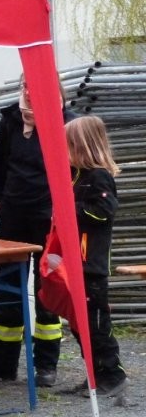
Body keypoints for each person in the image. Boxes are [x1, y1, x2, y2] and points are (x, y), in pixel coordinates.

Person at [0, 77, 76, 387]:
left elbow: (76, 171)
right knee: (5, 291)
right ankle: (1, 365)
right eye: (25, 84)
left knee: (47, 292)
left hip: (48, 221)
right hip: (12, 218)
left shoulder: (68, 123)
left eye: (35, 83)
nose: (29, 90)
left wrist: (63, 210)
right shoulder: (12, 120)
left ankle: (46, 367)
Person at [61, 115, 127, 398]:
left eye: (68, 145)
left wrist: (70, 209)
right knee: (81, 325)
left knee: (97, 325)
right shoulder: (77, 176)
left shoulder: (99, 177)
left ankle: (112, 376)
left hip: (92, 265)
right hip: (76, 262)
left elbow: (103, 212)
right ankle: (95, 374)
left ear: (82, 146)